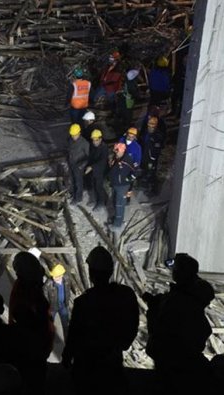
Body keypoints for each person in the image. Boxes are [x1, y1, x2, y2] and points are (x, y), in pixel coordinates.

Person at [62, 246, 139, 395]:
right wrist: (123, 343)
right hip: (112, 361)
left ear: (91, 274)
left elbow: (74, 335)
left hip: (86, 365)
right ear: (110, 271)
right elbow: (132, 325)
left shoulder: (83, 303)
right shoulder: (125, 296)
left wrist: (67, 357)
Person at [144, 254, 216, 395]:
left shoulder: (176, 301)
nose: (172, 272)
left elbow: (158, 329)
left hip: (172, 363)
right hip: (187, 360)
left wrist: (153, 309)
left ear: (179, 273)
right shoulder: (193, 291)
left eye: (175, 269)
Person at [9, 252, 54, 395]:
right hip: (33, 350)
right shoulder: (28, 293)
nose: (41, 279)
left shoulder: (27, 290)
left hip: (33, 348)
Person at [108, 143, 136, 229]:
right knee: (115, 202)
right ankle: (117, 218)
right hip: (115, 184)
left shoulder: (127, 160)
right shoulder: (116, 158)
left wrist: (127, 180)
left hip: (122, 186)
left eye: (117, 151)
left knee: (119, 205)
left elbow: (135, 172)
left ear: (122, 151)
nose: (116, 153)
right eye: (115, 151)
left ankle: (117, 224)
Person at [43, 264, 70, 339]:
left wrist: (67, 302)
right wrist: (48, 308)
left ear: (61, 275)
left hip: (63, 306)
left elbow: (68, 290)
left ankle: (67, 341)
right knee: (49, 325)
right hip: (52, 308)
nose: (53, 278)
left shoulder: (66, 279)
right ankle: (49, 340)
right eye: (53, 276)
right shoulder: (48, 284)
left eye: (56, 276)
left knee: (66, 325)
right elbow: (45, 298)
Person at [84, 129, 109, 210]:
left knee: (99, 187)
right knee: (94, 185)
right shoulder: (93, 146)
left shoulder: (104, 148)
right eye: (93, 140)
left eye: (96, 140)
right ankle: (95, 200)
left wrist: (91, 167)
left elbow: (102, 161)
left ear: (100, 139)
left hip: (101, 170)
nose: (94, 142)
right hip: (94, 170)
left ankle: (101, 203)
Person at [140, 117, 165, 195]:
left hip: (151, 158)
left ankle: (153, 189)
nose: (150, 127)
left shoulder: (157, 136)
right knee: (146, 170)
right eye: (149, 125)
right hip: (145, 155)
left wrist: (153, 158)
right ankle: (145, 184)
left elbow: (157, 149)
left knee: (151, 173)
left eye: (152, 125)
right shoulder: (146, 133)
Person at [67, 124, 89, 205]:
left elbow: (89, 156)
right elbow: (69, 150)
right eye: (72, 135)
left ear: (79, 133)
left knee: (78, 182)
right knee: (72, 180)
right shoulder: (70, 140)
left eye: (75, 135)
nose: (73, 136)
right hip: (72, 163)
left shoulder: (84, 143)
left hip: (79, 165)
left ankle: (78, 198)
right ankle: (73, 193)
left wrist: (82, 165)